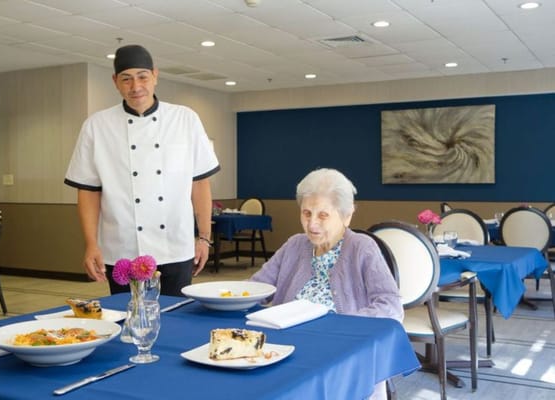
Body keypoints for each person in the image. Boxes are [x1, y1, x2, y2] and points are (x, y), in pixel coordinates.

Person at [64, 44, 220, 296]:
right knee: (128, 318)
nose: (135, 87)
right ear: (115, 82)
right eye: (126, 79)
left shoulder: (185, 119)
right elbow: (88, 191)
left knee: (177, 318)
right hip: (122, 249)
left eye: (142, 77)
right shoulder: (96, 126)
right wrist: (91, 244)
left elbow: (199, 183)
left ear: (155, 76)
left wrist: (204, 238)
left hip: (175, 246)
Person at [250, 168, 402, 400]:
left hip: (339, 350)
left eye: (323, 215)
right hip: (285, 346)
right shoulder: (295, 244)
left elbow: (391, 306)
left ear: (346, 215)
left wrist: (337, 324)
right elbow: (257, 288)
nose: (312, 224)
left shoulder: (362, 247)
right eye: (306, 213)